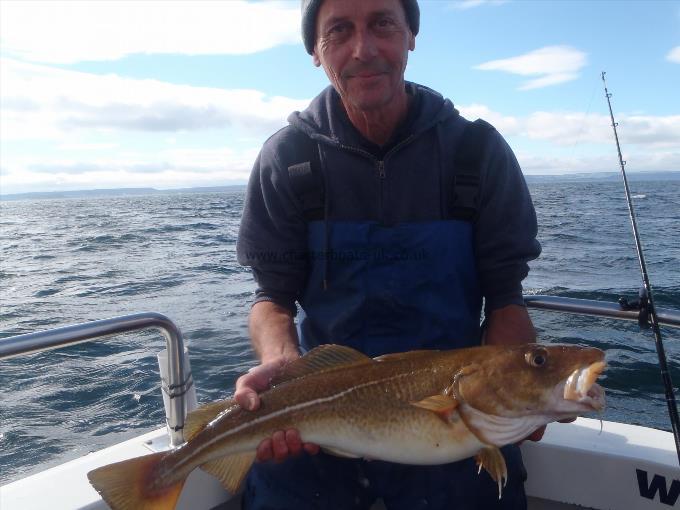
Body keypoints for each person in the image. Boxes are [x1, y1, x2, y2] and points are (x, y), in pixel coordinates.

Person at [235, 0, 542, 508]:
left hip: (451, 420)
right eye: (339, 30)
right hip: (319, 421)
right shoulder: (287, 159)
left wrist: (518, 403)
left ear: (410, 37)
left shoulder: (477, 152)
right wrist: (280, 360)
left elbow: (507, 299)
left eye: (382, 23)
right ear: (316, 50)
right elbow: (273, 296)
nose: (364, 49)